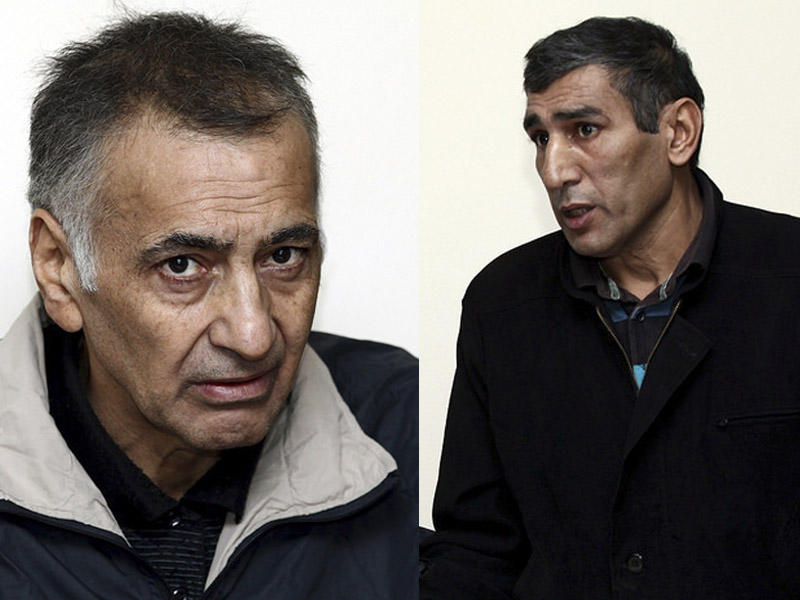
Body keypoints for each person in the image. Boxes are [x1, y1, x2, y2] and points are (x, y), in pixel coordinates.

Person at [0, 12, 417, 600]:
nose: (253, 335)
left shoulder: (409, 426)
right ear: (59, 270)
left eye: (283, 256)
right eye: (182, 266)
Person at [420, 16, 800, 599]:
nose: (554, 170)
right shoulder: (502, 305)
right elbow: (476, 551)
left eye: (585, 130)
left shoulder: (788, 278)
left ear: (678, 132)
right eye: (541, 138)